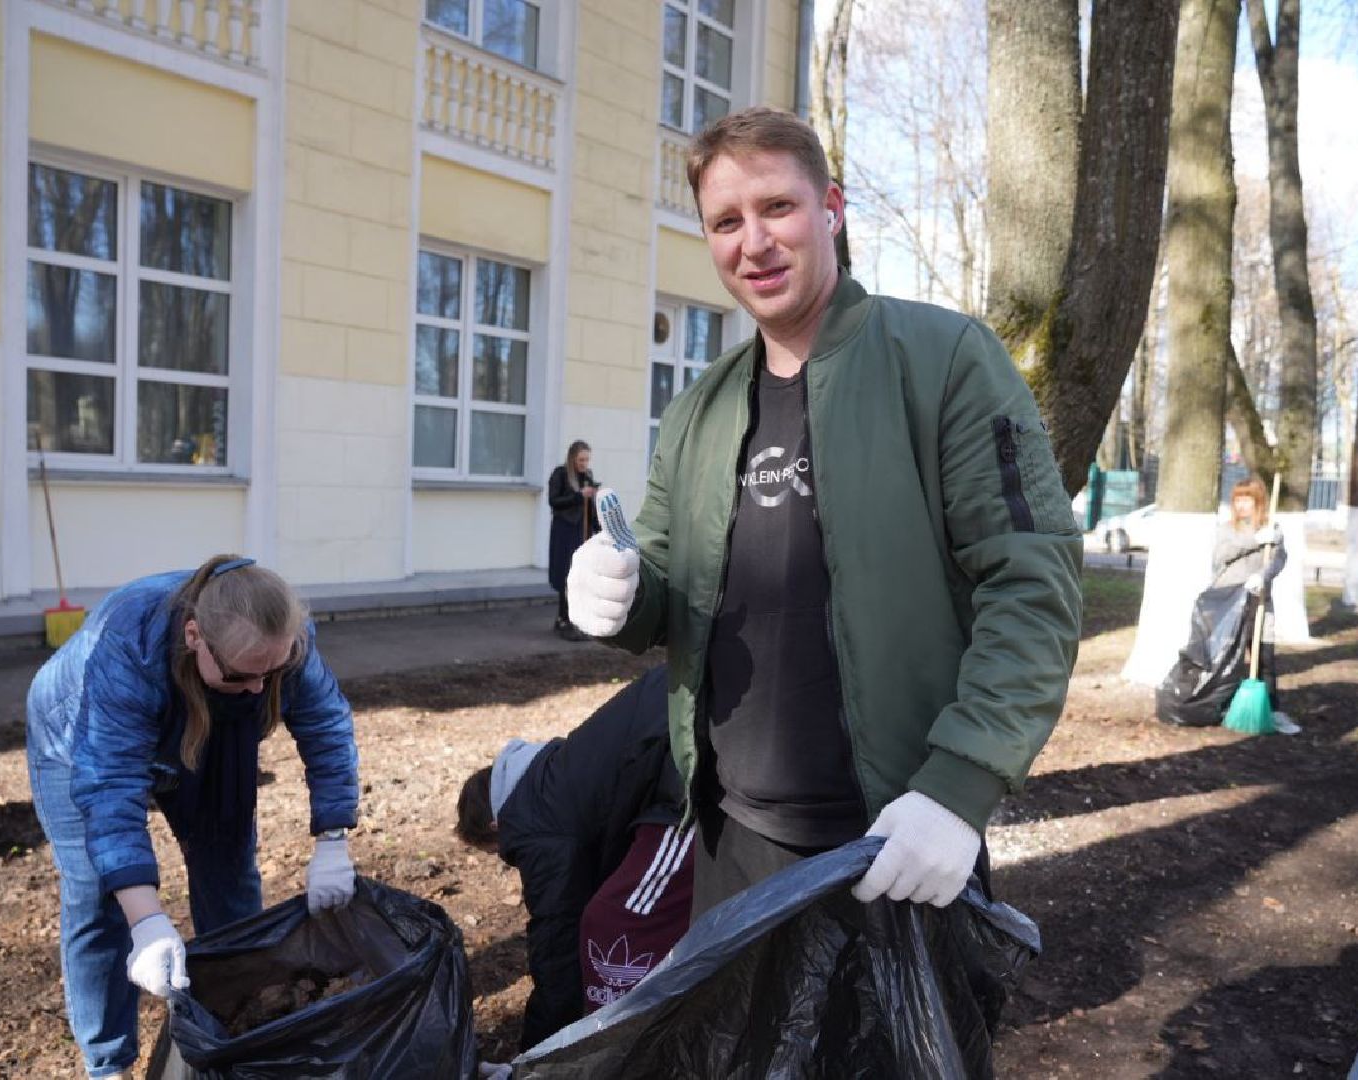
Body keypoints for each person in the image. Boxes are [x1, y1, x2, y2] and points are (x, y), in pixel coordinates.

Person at [565, 107, 1082, 926]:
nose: (754, 243)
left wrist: (957, 790)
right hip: (730, 835)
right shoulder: (699, 408)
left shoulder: (943, 361)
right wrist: (622, 594)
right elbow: (669, 595)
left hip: (901, 839)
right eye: (725, 222)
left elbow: (1031, 584)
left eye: (777, 207)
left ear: (831, 208)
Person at [25, 555, 360, 1080]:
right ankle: (107, 1063)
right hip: (74, 739)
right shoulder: (130, 647)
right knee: (96, 896)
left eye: (271, 674)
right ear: (193, 636)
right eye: (241, 674)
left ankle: (239, 1027)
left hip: (210, 728)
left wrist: (333, 838)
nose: (258, 689)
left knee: (228, 869)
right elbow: (110, 786)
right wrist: (148, 920)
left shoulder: (281, 638)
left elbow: (326, 725)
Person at [455, 666, 691, 1051]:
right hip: (680, 704)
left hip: (689, 757)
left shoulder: (534, 821)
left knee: (618, 923)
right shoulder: (549, 776)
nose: (514, 862)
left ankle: (625, 1046)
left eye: (504, 854)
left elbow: (558, 944)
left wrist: (535, 1055)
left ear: (497, 826)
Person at [1211, 476, 1298, 734]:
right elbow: (1221, 556)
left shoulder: (1273, 529)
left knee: (1265, 656)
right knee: (1229, 656)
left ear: (1258, 501)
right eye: (1238, 499)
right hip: (1229, 602)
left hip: (1260, 601)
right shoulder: (1228, 529)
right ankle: (1224, 704)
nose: (1241, 505)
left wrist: (1264, 576)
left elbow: (1279, 559)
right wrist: (1253, 541)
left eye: (1247, 499)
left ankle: (1272, 710)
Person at [547, 440, 599, 642]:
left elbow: (590, 506)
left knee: (578, 576)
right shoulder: (560, 474)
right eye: (581, 459)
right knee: (566, 574)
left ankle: (573, 620)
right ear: (572, 458)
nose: (584, 463)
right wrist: (578, 496)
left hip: (580, 531)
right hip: (564, 530)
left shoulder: (587, 476)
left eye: (587, 459)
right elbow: (554, 501)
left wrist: (599, 528)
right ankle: (563, 620)